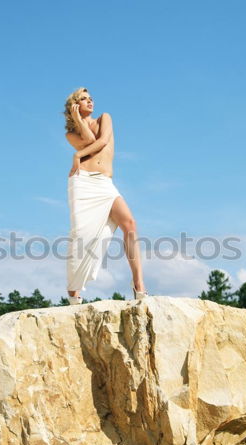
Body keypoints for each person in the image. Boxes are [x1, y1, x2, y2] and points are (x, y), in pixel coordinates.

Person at [63, 87, 148, 305]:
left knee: (130, 224)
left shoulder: (105, 118)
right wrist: (77, 119)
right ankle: (73, 292)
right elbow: (89, 139)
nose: (90, 101)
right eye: (83, 99)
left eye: (91, 98)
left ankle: (139, 284)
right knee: (82, 235)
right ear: (74, 105)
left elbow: (100, 142)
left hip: (104, 183)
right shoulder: (71, 134)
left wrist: (77, 155)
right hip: (83, 183)